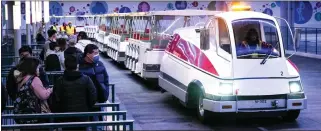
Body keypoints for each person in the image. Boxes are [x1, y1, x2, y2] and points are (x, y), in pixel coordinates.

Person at [52, 55, 97, 130]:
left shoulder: (60, 81)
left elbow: (55, 99)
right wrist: (87, 107)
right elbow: (93, 96)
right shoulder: (86, 79)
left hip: (65, 116)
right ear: (77, 65)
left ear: (65, 66)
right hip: (83, 115)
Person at [13, 57, 52, 124]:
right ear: (33, 68)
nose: (39, 69)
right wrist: (50, 90)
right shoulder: (34, 79)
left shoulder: (21, 79)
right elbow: (43, 95)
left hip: (23, 116)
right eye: (37, 67)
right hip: (35, 116)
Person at [79, 44, 109, 130]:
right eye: (95, 53)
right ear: (88, 54)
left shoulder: (100, 64)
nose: (97, 55)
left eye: (98, 52)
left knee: (99, 124)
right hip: (86, 102)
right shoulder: (80, 66)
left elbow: (106, 80)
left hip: (99, 99)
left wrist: (105, 92)